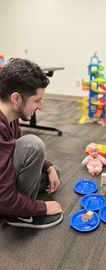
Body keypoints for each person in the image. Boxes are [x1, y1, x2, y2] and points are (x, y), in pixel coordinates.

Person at [0, 58, 64, 228]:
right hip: (1, 196)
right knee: (33, 145)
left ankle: (19, 201)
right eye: (37, 100)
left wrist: (48, 167)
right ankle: (19, 215)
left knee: (53, 172)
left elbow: (13, 150)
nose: (41, 106)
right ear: (16, 98)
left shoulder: (9, 115)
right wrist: (41, 207)